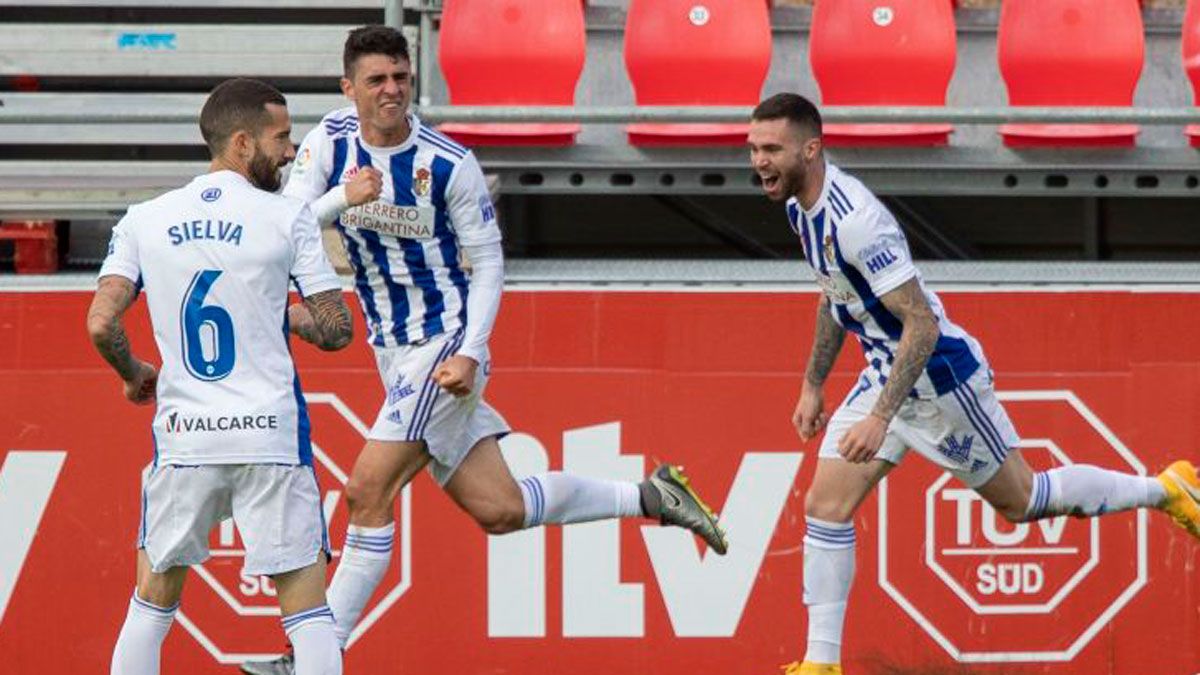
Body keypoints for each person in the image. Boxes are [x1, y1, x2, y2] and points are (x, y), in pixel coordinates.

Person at [240, 25, 728, 674]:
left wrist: (471, 351)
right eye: (377, 80)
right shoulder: (330, 143)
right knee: (499, 508)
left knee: (365, 489)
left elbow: (491, 265)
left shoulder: (448, 162)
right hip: (393, 349)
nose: (392, 90)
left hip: (444, 344)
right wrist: (342, 197)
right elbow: (290, 222)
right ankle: (649, 495)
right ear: (348, 88)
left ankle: (314, 656)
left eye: (401, 77)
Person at [746, 93, 1200, 675]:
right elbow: (834, 292)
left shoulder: (856, 220)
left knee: (1025, 500)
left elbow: (922, 324)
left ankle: (1166, 488)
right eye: (754, 148)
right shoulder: (798, 207)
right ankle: (820, 665)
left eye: (771, 148)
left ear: (811, 149)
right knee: (825, 506)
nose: (759, 160)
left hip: (938, 381)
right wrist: (813, 382)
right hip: (886, 371)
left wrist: (881, 416)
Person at [88, 77, 354, 675]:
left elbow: (102, 323)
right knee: (308, 614)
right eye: (282, 138)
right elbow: (337, 330)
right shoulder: (287, 219)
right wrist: (284, 315)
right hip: (270, 438)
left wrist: (133, 373)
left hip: (186, 439)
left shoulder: (144, 219)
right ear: (241, 143)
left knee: (152, 606)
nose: (291, 152)